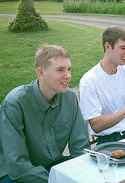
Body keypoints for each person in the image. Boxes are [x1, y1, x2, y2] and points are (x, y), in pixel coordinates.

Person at [0, 44, 90, 183]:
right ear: (40, 73)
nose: (68, 76)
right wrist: (56, 180)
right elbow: (18, 165)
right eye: (60, 70)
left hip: (53, 166)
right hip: (16, 175)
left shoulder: (70, 98)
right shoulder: (15, 103)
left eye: (69, 69)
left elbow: (80, 146)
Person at [79, 26, 125, 145]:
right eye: (123, 48)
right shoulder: (89, 80)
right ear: (107, 46)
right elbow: (96, 125)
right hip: (108, 140)